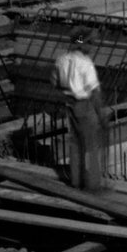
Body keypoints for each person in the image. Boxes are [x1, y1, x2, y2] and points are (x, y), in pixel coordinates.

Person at [51, 31, 108, 192]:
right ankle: (93, 184)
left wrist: (68, 93)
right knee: (91, 145)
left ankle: (76, 181)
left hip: (70, 105)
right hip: (85, 105)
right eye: (90, 43)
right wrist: (101, 115)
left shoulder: (61, 60)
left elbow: (55, 83)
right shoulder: (85, 63)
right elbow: (95, 92)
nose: (92, 46)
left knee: (76, 145)